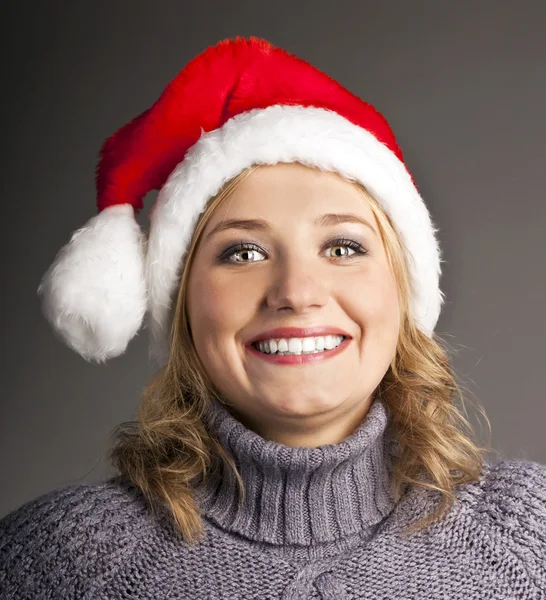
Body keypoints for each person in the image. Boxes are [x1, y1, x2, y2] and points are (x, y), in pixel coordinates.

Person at [0, 36, 544, 599]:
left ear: (402, 291)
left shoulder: (532, 540)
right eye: (243, 253)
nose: (297, 292)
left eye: (343, 247)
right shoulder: (59, 564)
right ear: (183, 302)